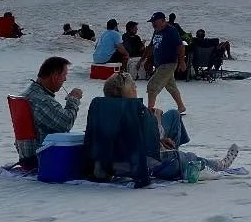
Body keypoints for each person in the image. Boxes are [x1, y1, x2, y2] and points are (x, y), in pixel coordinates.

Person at [88, 71, 237, 182]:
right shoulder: (136, 111)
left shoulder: (102, 109)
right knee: (189, 158)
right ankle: (219, 165)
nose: (136, 88)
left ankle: (176, 155)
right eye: (133, 86)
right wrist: (156, 119)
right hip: (145, 164)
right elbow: (149, 140)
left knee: (173, 116)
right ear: (129, 91)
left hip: (116, 164)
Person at [17, 56, 83, 164]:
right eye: (64, 75)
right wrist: (74, 99)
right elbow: (66, 123)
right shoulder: (41, 100)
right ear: (54, 76)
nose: (65, 79)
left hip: (27, 155)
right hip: (41, 157)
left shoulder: (28, 94)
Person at [146, 12, 186, 115]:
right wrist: (147, 61)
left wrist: (182, 62)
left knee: (152, 86)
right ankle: (181, 107)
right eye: (152, 22)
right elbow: (151, 46)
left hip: (169, 63)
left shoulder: (171, 31)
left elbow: (181, 47)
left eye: (155, 22)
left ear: (163, 21)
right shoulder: (156, 31)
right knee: (171, 86)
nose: (153, 24)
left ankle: (150, 110)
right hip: (159, 64)